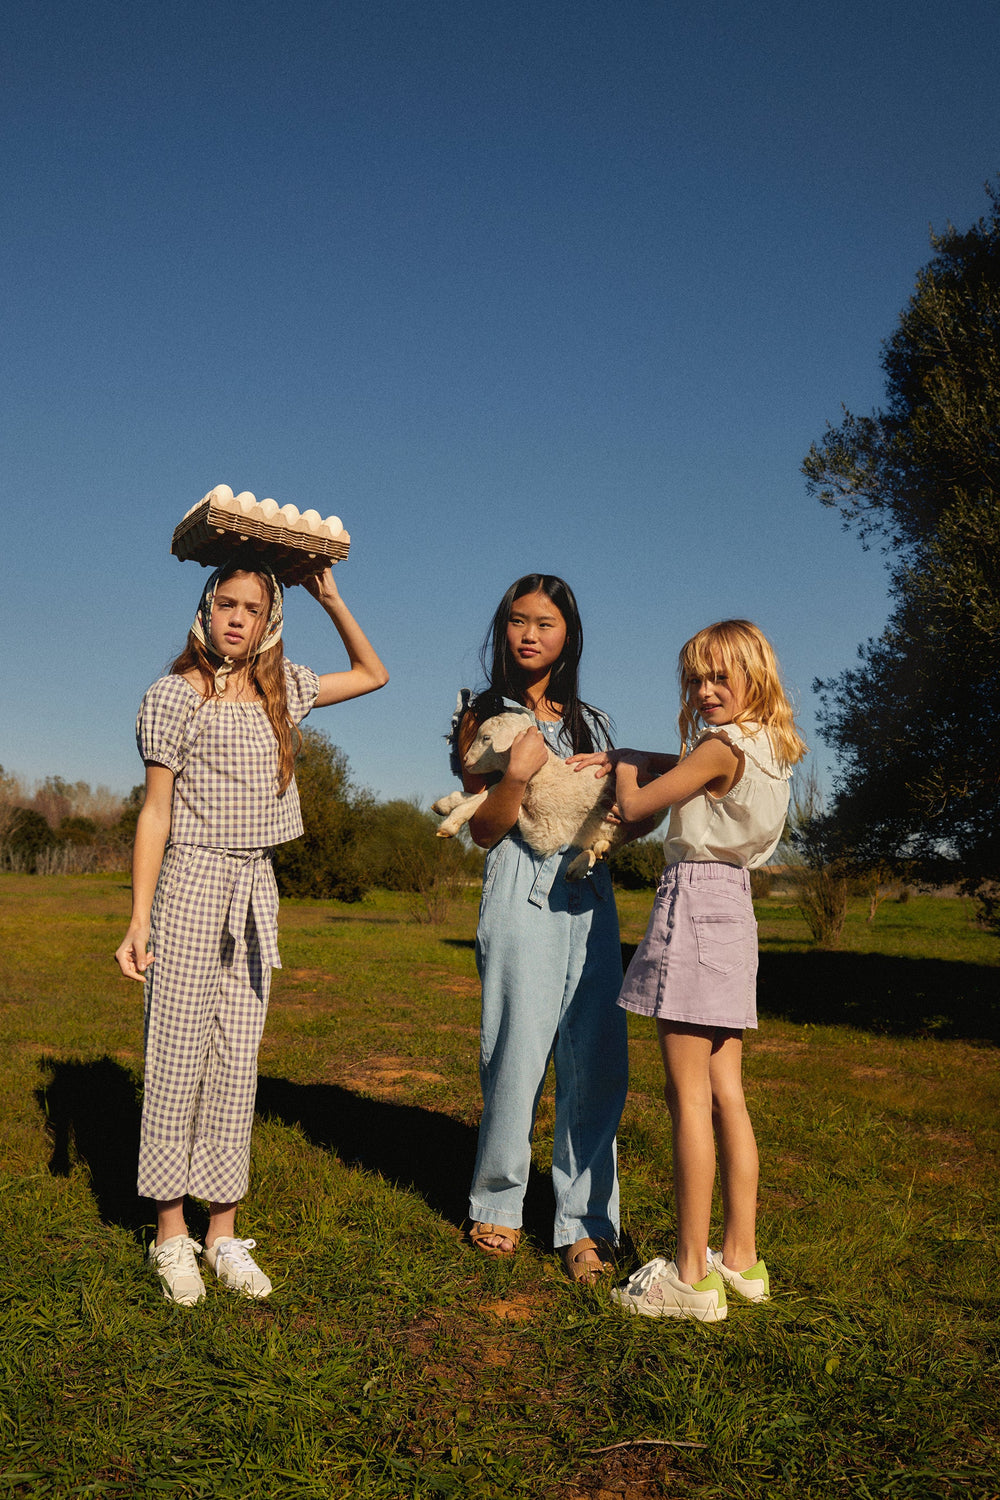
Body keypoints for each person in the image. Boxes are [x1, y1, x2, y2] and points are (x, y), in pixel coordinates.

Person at [115, 556, 388, 1305]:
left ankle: (222, 1232)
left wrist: (330, 597)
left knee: (238, 1060)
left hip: (255, 887)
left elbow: (373, 674)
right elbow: (155, 813)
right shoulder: (174, 695)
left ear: (270, 622)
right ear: (205, 610)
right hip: (192, 881)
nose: (237, 618)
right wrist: (139, 917)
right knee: (175, 1054)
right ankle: (170, 1233)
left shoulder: (282, 691)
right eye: (226, 604)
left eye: (253, 608)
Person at [570, 619, 806, 1322]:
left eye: (719, 677)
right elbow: (690, 767)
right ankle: (742, 1259)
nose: (704, 690)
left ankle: (689, 1275)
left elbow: (637, 804)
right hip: (736, 909)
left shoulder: (719, 746)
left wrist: (621, 765)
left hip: (695, 902)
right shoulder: (769, 746)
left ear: (754, 676)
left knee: (688, 1097)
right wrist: (639, 754)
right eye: (695, 679)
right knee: (729, 1093)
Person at [449, 574, 631, 1283]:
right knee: (515, 1048)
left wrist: (624, 794)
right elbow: (483, 831)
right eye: (517, 621)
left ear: (568, 636)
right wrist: (517, 777)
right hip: (518, 886)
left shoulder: (594, 723)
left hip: (589, 891)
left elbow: (622, 820)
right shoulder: (482, 717)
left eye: (545, 623)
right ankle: (497, 1202)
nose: (529, 634)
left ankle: (585, 1223)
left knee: (596, 1057)